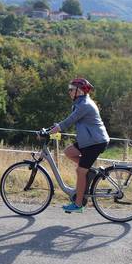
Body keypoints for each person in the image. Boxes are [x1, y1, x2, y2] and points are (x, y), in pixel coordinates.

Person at [49, 78, 109, 213]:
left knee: (80, 171)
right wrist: (54, 127)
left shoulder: (85, 105)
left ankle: (78, 205)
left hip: (95, 142)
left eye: (71, 89)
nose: (69, 91)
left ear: (79, 91)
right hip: (88, 141)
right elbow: (71, 119)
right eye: (69, 89)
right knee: (69, 152)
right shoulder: (81, 102)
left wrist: (55, 129)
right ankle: (90, 171)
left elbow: (70, 120)